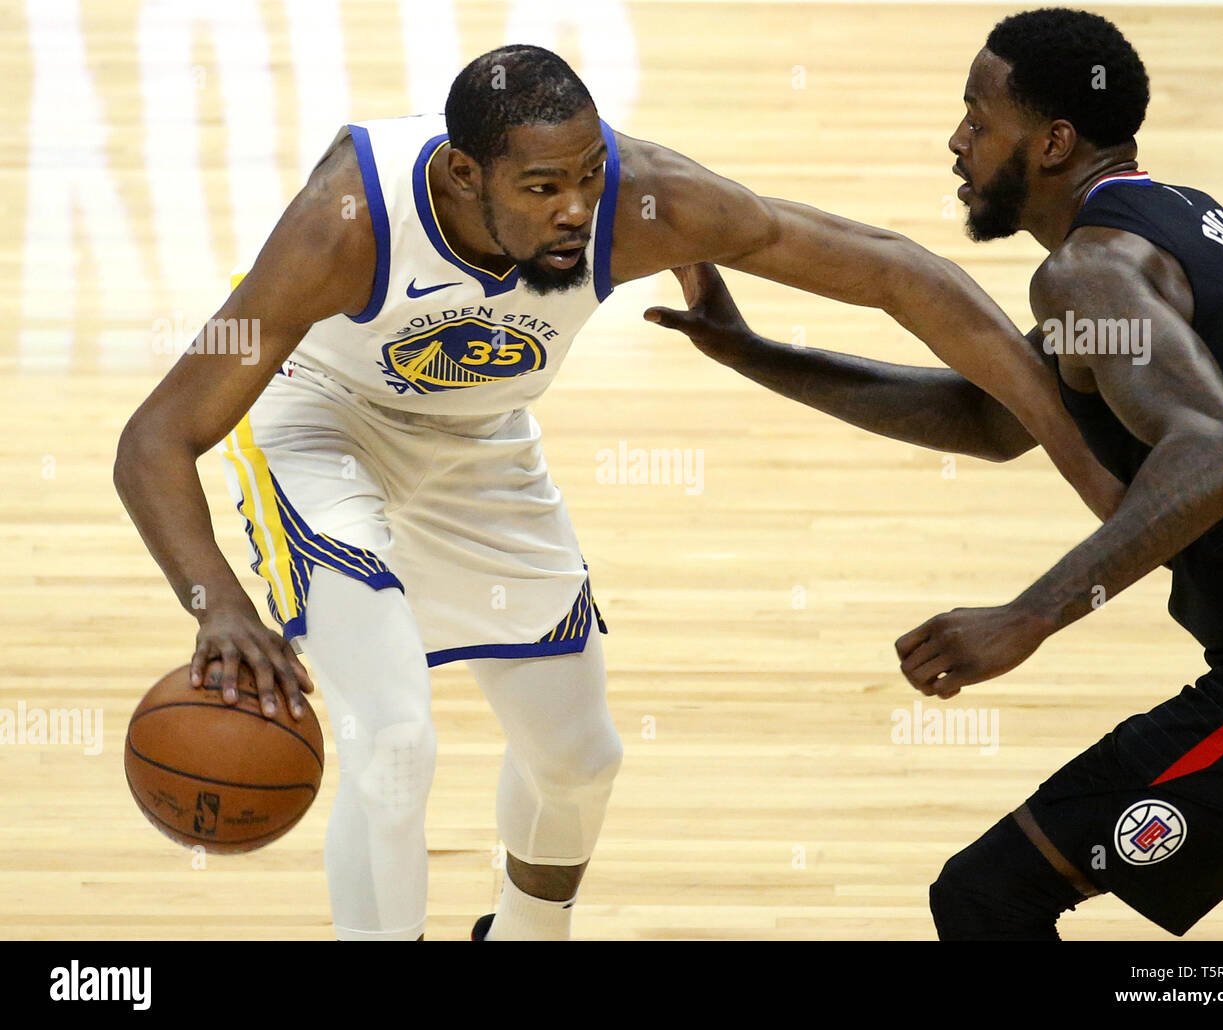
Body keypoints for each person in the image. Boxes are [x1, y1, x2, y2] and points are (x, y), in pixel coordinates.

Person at [114, 43, 1115, 941]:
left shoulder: (648, 201)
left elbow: (899, 275)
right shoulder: (345, 224)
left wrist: (1084, 464)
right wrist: (219, 605)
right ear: (463, 175)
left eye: (590, 176)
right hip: (324, 424)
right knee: (394, 742)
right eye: (544, 185)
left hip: (478, 441)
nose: (577, 208)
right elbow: (156, 435)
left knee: (579, 758)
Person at [646, 9, 1223, 940]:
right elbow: (994, 415)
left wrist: (1026, 617)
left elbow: (1221, 452)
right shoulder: (1170, 222)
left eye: (977, 118)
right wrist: (754, 353)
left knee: (991, 898)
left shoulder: (1091, 270)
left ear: (1054, 142)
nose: (957, 141)